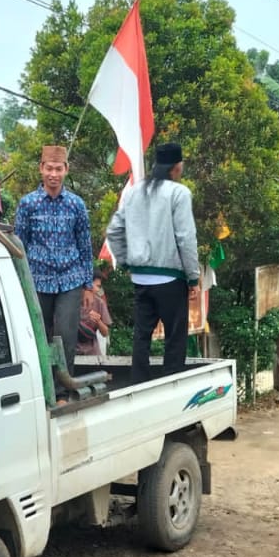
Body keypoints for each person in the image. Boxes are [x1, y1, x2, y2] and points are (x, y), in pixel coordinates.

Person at [105, 142, 199, 381]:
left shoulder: (135, 191)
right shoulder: (179, 193)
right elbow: (185, 238)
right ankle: (172, 386)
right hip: (171, 278)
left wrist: (126, 262)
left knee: (142, 335)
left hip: (141, 278)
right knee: (174, 338)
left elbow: (114, 231)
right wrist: (193, 277)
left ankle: (138, 383)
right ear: (177, 167)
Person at [13, 145, 93, 372]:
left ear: (66, 169)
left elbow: (85, 244)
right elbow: (20, 245)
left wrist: (88, 285)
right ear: (41, 168)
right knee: (40, 333)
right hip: (38, 278)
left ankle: (64, 388)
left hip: (71, 279)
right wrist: (21, 282)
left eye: (59, 169)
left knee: (66, 334)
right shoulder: (28, 204)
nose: (53, 174)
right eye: (49, 168)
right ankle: (44, 385)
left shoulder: (76, 204)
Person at [77, 271, 112, 359]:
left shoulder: (99, 300)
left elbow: (105, 332)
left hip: (92, 353)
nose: (98, 289)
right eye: (97, 286)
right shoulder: (69, 301)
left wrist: (98, 321)